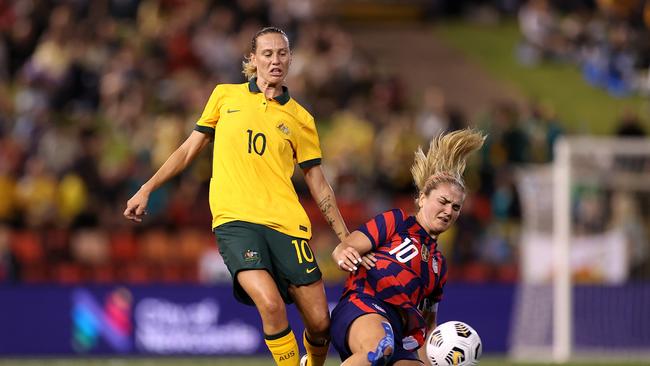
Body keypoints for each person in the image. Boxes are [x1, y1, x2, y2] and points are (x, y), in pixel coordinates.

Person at [124, 26, 349, 366]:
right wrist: (147, 187)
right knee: (271, 305)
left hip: (287, 224)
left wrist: (344, 237)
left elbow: (318, 182)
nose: (275, 60)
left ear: (290, 60)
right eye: (268, 53)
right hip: (236, 221)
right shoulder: (225, 96)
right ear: (253, 59)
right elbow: (188, 150)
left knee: (320, 324)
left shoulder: (301, 119)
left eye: (282, 54)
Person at [330, 129, 486, 365]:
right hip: (362, 305)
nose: (448, 211)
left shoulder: (438, 265)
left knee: (390, 347)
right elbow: (343, 249)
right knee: (379, 347)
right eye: (442, 202)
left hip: (399, 332)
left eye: (455, 207)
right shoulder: (397, 221)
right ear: (422, 198)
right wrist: (348, 255)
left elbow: (428, 326)